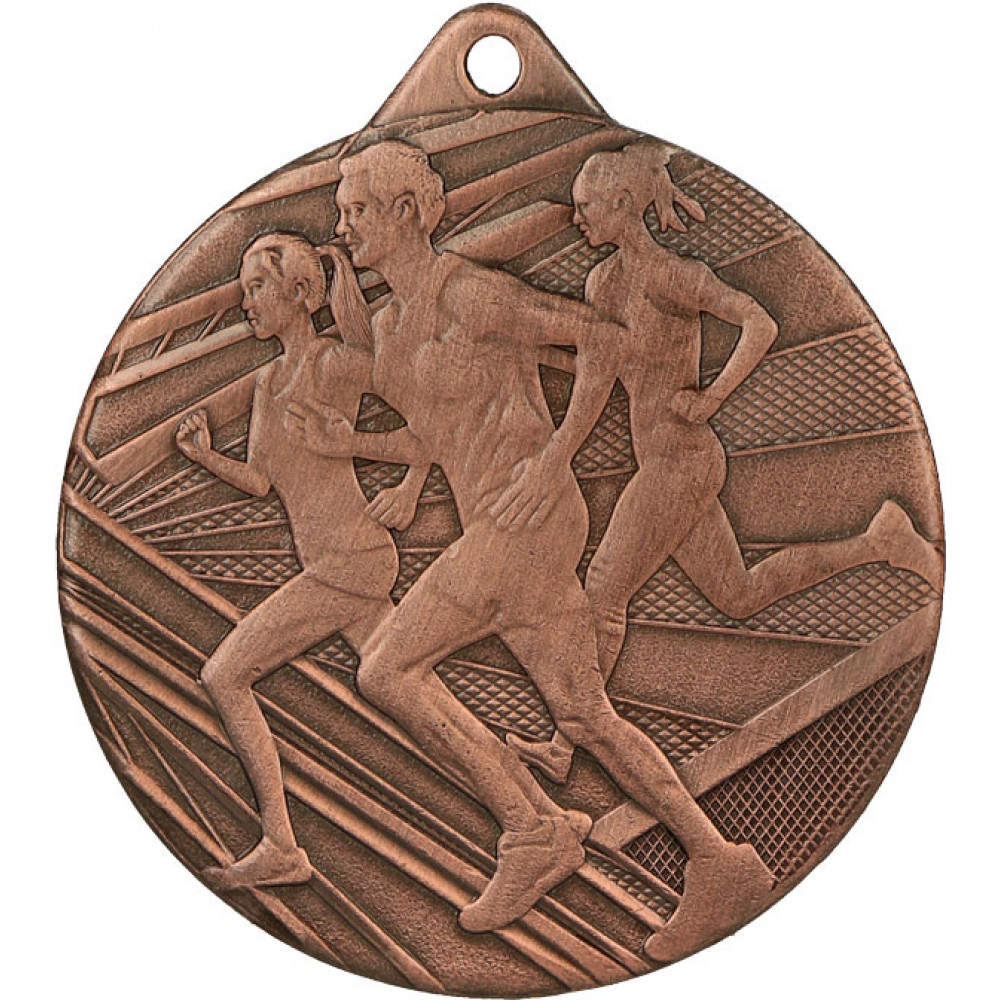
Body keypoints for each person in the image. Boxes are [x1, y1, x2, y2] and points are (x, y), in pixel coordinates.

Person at [295, 139, 772, 957]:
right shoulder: (394, 327)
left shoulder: (472, 294)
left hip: (528, 523)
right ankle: (721, 859)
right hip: (498, 530)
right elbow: (435, 432)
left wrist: (553, 460)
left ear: (407, 213)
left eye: (357, 210)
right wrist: (366, 453)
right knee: (586, 715)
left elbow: (602, 341)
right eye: (342, 212)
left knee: (386, 669)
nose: (342, 226)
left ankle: (535, 829)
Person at [506, 140, 943, 806]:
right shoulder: (603, 285)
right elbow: (608, 369)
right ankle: (880, 541)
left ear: (623, 203)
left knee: (605, 589)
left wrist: (711, 400)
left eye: (587, 205)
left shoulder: (673, 277)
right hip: (661, 463)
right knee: (739, 595)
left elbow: (758, 323)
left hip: (683, 463)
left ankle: (568, 745)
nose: (578, 218)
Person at [175, 233, 427, 891]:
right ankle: (537, 815)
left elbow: (429, 424)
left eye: (257, 288)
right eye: (244, 290)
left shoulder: (337, 364)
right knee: (417, 694)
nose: (246, 302)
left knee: (225, 674)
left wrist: (406, 485)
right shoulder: (268, 381)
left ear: (300, 292)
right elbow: (262, 480)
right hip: (338, 564)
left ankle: (281, 846)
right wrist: (205, 456)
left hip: (351, 562)